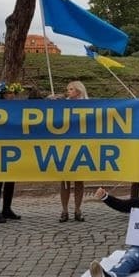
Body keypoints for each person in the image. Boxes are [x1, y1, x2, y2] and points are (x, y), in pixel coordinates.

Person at [0, 82, 23, 223]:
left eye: (13, 93)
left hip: (12, 147)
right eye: (9, 93)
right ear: (2, 95)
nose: (12, 96)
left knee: (10, 180)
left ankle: (7, 209)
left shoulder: (16, 107)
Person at [59, 81, 88, 222]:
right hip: (65, 146)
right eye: (67, 89)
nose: (68, 92)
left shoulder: (88, 105)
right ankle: (64, 210)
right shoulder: (63, 104)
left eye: (70, 89)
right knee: (64, 181)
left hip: (81, 146)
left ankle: (77, 209)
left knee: (79, 181)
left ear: (78, 91)